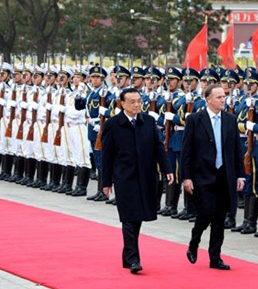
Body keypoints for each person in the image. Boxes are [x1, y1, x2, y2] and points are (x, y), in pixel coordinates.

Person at [101, 87, 174, 274]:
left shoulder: (148, 122)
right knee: (128, 216)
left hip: (145, 176)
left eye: (139, 101)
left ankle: (127, 256)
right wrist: (106, 182)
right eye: (132, 102)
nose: (136, 105)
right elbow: (107, 155)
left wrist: (167, 169)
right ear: (122, 104)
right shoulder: (113, 124)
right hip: (124, 177)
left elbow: (158, 148)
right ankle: (134, 259)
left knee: (138, 217)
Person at [181, 84, 245, 270]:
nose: (223, 100)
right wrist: (186, 177)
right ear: (208, 99)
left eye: (224, 96)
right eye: (218, 97)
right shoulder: (195, 120)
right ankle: (194, 242)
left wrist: (240, 175)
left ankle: (215, 257)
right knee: (206, 212)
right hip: (202, 175)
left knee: (219, 218)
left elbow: (236, 150)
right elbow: (187, 151)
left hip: (224, 175)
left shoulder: (230, 120)